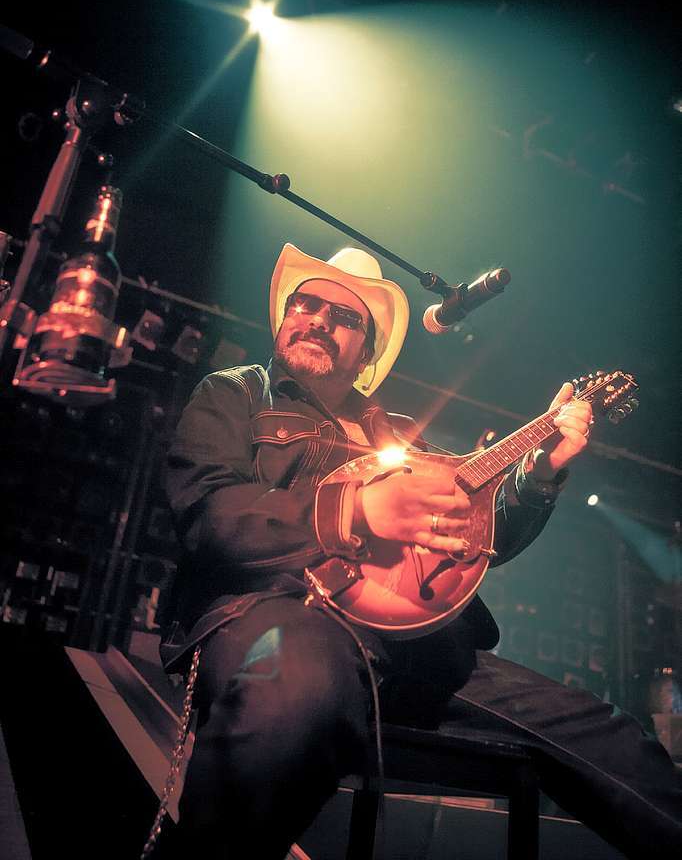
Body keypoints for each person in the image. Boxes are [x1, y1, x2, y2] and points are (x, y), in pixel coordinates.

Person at [160, 242, 681, 859]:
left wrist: (539, 475)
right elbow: (207, 513)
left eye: (344, 316)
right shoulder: (235, 393)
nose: (319, 319)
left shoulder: (402, 435)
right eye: (306, 303)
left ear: (368, 350)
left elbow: (476, 536)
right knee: (299, 686)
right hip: (279, 613)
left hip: (417, 649)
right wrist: (353, 511)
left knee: (609, 736)